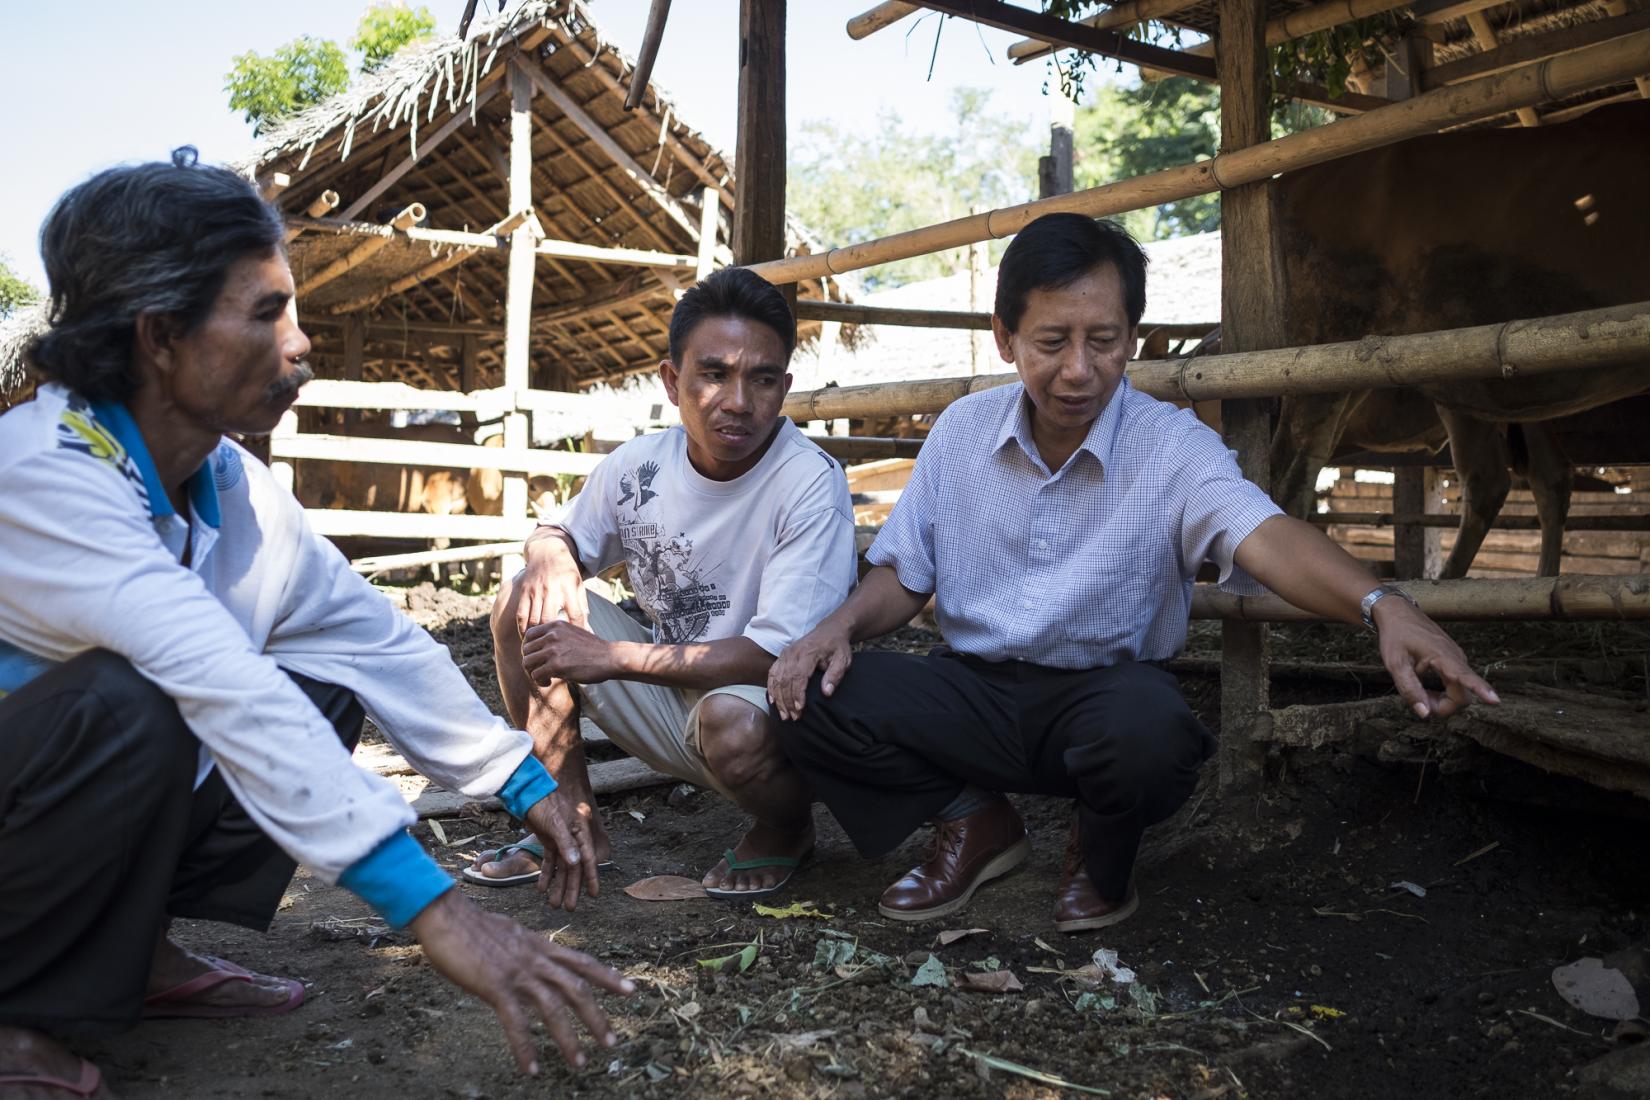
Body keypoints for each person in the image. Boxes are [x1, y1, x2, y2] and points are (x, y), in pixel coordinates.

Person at [0, 150, 631, 1099]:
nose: (300, 344)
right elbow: (215, 678)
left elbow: (369, 636)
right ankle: (18, 1016)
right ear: (160, 336)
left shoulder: (228, 481)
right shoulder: (42, 471)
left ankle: (144, 958)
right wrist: (438, 909)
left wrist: (520, 779)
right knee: (136, 701)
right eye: (265, 312)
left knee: (321, 688)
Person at [767, 212, 1499, 932]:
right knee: (804, 692)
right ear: (1005, 337)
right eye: (1052, 341)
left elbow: (1266, 536)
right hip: (974, 694)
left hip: (1103, 703)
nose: (1079, 370)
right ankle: (975, 820)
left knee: (1152, 732)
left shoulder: (1172, 446)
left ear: (1133, 341)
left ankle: (1102, 852)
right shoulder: (962, 432)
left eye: (1104, 342)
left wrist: (1383, 604)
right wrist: (834, 629)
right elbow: (906, 576)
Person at [472, 267, 857, 903]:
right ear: (672, 381)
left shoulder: (810, 482)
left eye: (761, 379)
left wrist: (612, 658)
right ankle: (568, 818)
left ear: (784, 388)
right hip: (669, 690)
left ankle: (786, 826)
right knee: (523, 598)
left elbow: (775, 655)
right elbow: (558, 532)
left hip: (763, 707)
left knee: (733, 723)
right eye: (713, 374)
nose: (739, 400)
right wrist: (548, 554)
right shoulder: (640, 464)